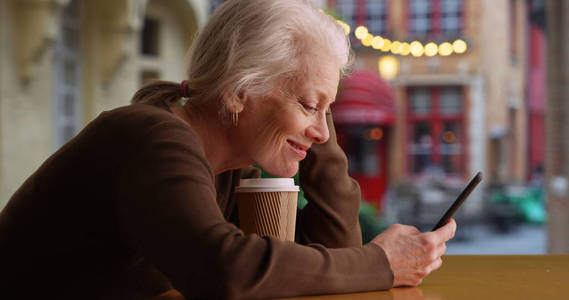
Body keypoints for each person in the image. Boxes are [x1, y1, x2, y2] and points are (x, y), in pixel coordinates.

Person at [0, 0, 456, 299]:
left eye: (330, 113)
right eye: (309, 105)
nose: (323, 132)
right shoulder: (151, 137)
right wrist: (382, 262)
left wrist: (312, 113)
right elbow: (226, 271)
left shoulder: (230, 162)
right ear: (239, 91)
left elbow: (332, 259)